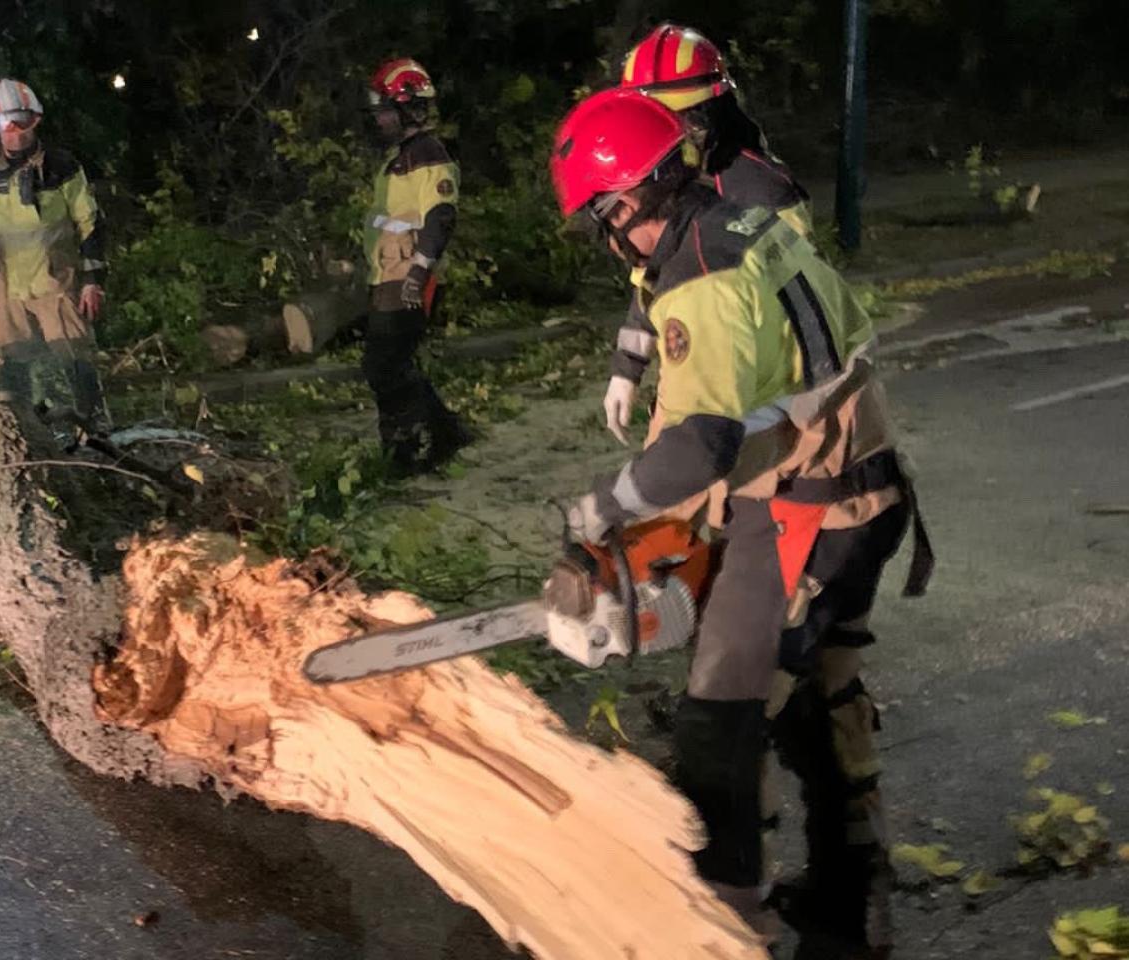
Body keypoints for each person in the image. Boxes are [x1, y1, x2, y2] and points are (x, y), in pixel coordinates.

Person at [551, 87, 932, 958]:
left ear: (622, 204)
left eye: (602, 221)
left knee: (720, 716)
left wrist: (606, 508)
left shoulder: (703, 275)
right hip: (850, 485)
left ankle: (722, 925)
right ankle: (847, 893)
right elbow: (793, 372)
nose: (609, 241)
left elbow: (702, 443)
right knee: (814, 696)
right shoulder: (742, 222)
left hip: (820, 506)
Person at [603, 24, 812, 445]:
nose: (671, 134)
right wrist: (627, 369)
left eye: (682, 120)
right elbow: (652, 279)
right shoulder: (670, 183)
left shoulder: (762, 188)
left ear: (713, 113)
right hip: (693, 383)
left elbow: (797, 306)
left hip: (759, 399)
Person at [0, 78, 107, 427]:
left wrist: (93, 280)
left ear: (35, 122)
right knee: (14, 361)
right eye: (6, 125)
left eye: (20, 125)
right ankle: (20, 432)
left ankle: (94, 428)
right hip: (5, 286)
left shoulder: (62, 169)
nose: (13, 133)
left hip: (55, 279)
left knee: (74, 356)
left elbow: (90, 222)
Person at [360, 57, 473, 476]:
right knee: (394, 363)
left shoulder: (428, 156)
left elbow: (439, 216)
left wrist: (419, 270)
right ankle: (446, 433)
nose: (381, 118)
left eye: (386, 109)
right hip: (390, 273)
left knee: (383, 365)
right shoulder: (401, 156)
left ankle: (403, 453)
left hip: (407, 277)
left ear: (408, 108)